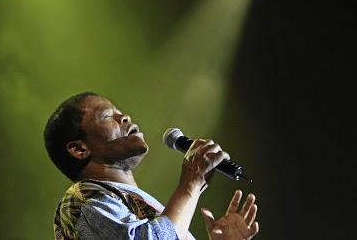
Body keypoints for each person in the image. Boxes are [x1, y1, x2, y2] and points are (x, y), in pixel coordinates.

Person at [44, 91, 259, 240]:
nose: (125, 116)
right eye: (107, 115)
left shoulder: (145, 207)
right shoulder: (80, 200)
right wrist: (190, 184)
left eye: (119, 111)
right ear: (79, 149)